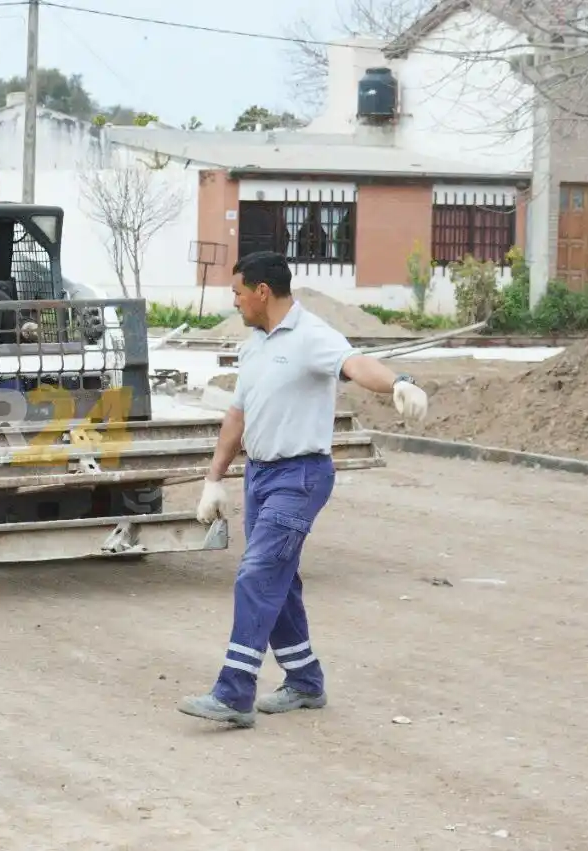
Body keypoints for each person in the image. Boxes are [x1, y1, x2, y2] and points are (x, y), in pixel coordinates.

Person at [178, 250, 429, 728]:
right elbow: (238, 415)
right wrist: (214, 479)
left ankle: (234, 692)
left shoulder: (312, 336)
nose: (234, 303)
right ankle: (304, 680)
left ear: (262, 291)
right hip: (261, 477)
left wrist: (399, 381)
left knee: (257, 575)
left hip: (300, 476)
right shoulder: (253, 344)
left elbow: (355, 364)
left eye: (237, 293)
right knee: (280, 580)